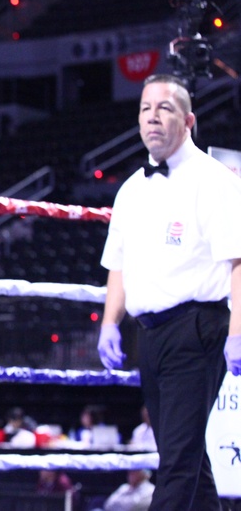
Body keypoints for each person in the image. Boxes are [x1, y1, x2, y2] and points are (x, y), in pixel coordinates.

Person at [97, 73, 241, 510]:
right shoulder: (130, 190)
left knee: (176, 465)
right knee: (186, 462)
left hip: (197, 330)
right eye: (145, 108)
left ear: (188, 120)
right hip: (150, 336)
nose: (153, 117)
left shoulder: (215, 180)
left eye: (165, 108)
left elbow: (239, 261)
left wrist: (237, 331)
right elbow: (118, 263)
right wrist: (108, 324)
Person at [89, 469, 155, 511]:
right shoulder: (124, 487)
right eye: (130, 471)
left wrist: (119, 504)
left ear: (143, 474)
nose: (130, 474)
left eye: (134, 471)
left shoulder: (150, 490)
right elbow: (108, 504)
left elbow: (133, 506)